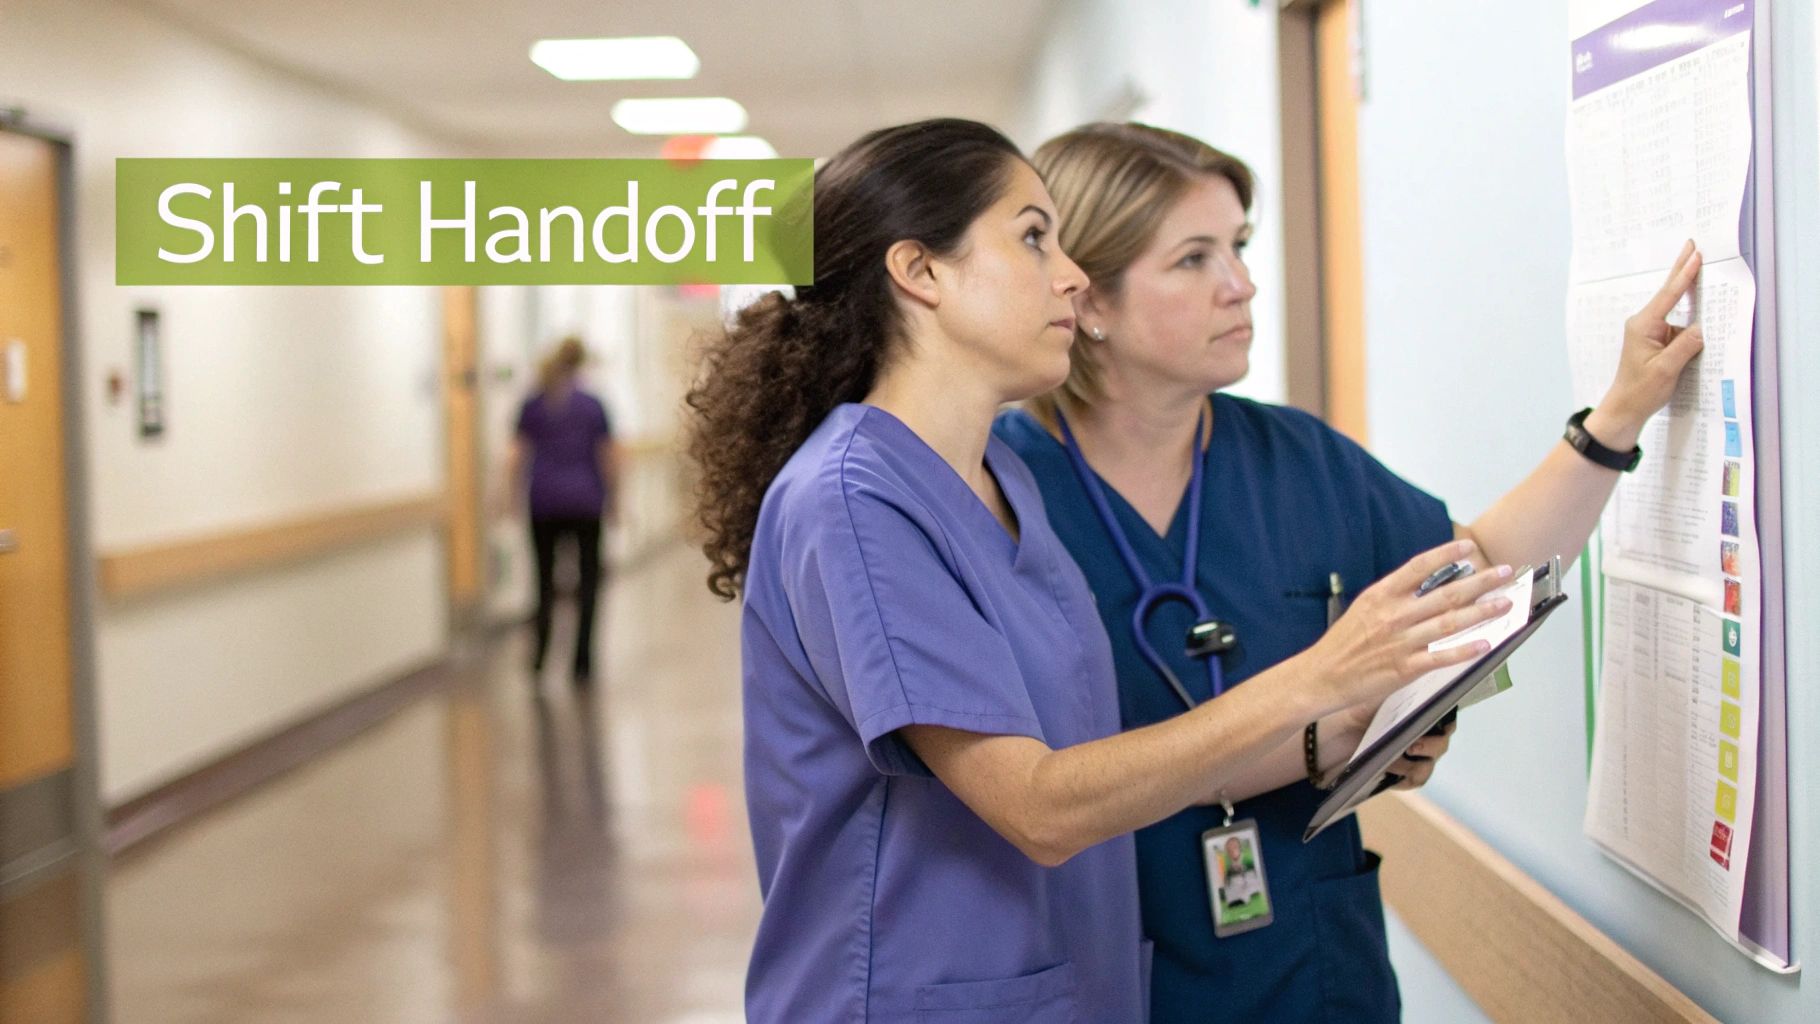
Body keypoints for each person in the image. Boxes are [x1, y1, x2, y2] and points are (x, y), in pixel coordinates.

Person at [683, 118, 1514, 1023]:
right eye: (1034, 238)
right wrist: (1318, 675)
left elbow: (1109, 760)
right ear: (921, 272)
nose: (1073, 275)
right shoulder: (852, 503)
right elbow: (1038, 804)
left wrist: (1332, 737)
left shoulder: (1001, 484)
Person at [994, 121, 1704, 1022]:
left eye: (1240, 248)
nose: (1241, 284)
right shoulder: (998, 493)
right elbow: (1022, 786)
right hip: (1112, 973)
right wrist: (1309, 736)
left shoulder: (1296, 459)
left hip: (1313, 974)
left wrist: (1617, 416)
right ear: (1086, 298)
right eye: (1193, 260)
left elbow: (1473, 572)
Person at [505, 336, 620, 686]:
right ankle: (581, 663)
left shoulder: (533, 404)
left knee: (543, 583)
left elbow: (515, 457)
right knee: (588, 584)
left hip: (544, 503)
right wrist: (615, 500)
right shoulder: (593, 405)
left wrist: (509, 499)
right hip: (586, 502)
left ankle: (540, 660)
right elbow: (608, 457)